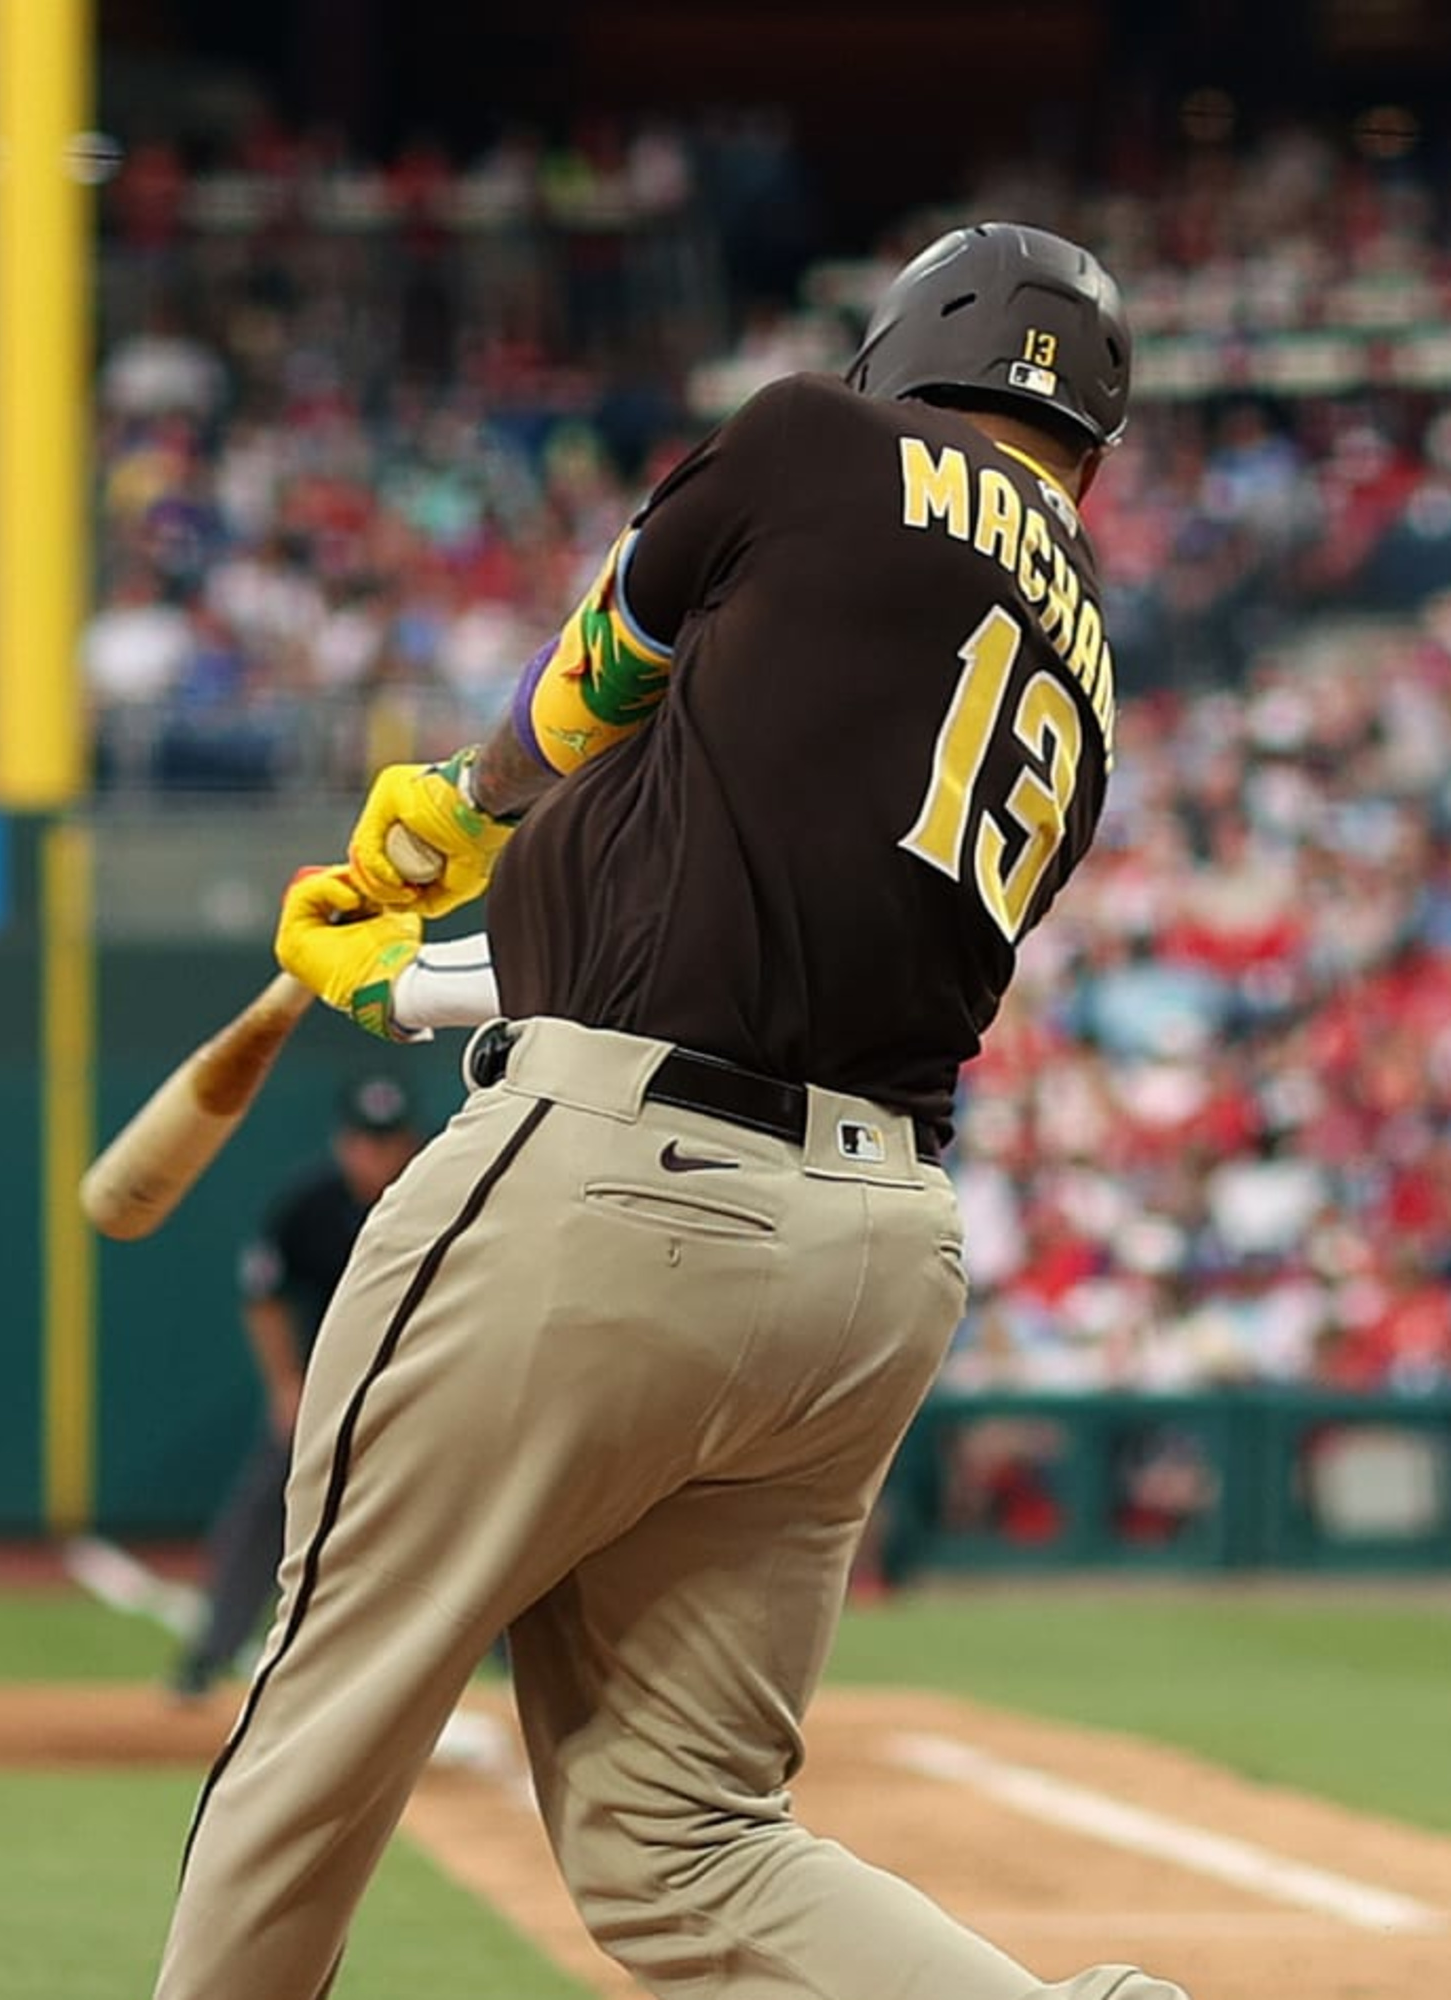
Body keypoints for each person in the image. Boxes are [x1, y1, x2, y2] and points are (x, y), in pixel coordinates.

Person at [155, 224, 1182, 2000]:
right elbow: (735, 926)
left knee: (325, 1703)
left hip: (616, 1192)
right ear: (1090, 432)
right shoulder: (1086, 664)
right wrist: (407, 978)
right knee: (685, 1840)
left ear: (908, 349)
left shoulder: (819, 444)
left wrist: (463, 811)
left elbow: (600, 676)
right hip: (865, 1260)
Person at [168, 1074, 427, 1702]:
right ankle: (211, 1653)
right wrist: (286, 1384)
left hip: (425, 1383)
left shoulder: (437, 1195)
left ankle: (511, 1662)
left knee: (477, 1514)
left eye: (388, 1143)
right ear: (344, 1144)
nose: (377, 1156)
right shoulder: (311, 1204)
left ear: (410, 1144)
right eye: (366, 1143)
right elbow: (263, 1294)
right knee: (265, 1504)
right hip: (334, 1389)